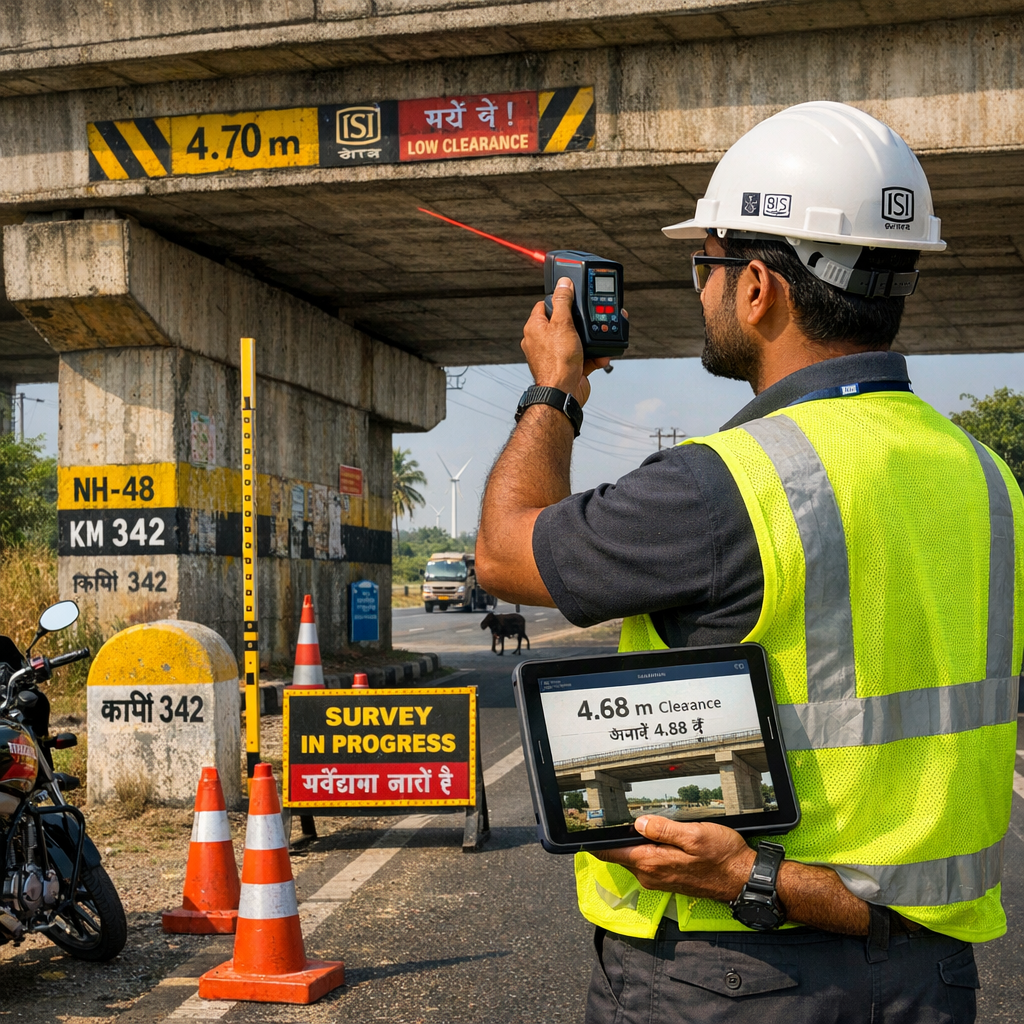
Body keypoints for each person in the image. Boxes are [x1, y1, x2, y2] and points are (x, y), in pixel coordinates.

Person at [476, 101, 1023, 1022]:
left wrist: (552, 391)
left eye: (708, 266)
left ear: (758, 288)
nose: (702, 290)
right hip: (931, 978)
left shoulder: (724, 484)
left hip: (732, 977)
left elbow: (504, 552)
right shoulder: (989, 478)